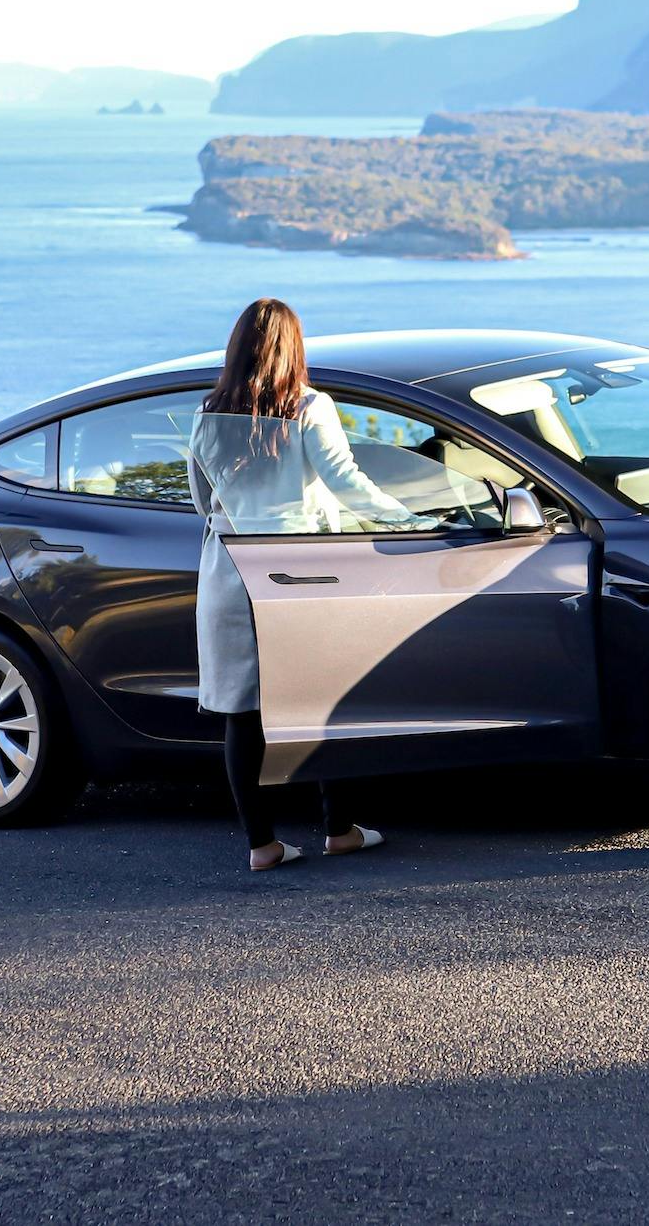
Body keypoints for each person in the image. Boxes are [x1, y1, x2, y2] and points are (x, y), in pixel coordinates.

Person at [186, 298, 425, 870]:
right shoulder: (310, 407)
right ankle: (338, 829)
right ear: (293, 347)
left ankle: (261, 844)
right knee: (323, 699)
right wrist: (414, 522)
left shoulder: (206, 413)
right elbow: (349, 484)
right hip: (304, 570)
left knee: (242, 712)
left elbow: (202, 502)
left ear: (237, 348)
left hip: (232, 567)